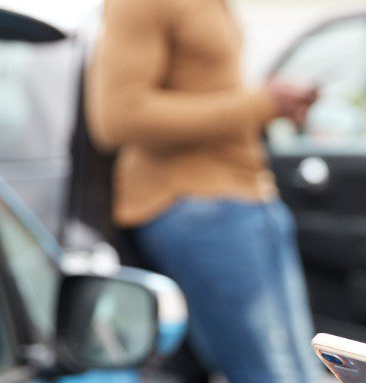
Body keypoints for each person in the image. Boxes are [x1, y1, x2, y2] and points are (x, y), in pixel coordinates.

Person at [84, 0, 321, 381]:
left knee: (304, 367)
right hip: (196, 204)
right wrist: (260, 103)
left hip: (251, 195)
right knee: (268, 373)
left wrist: (269, 103)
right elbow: (117, 116)